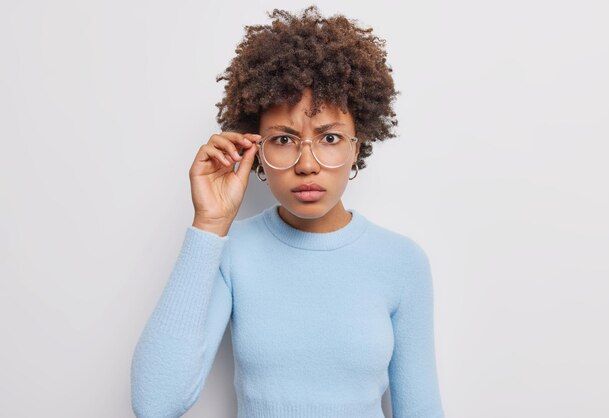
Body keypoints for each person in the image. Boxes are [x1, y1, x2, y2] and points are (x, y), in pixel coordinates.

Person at [131, 5, 445, 418]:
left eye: (329, 137)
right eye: (283, 139)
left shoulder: (402, 262)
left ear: (357, 146)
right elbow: (155, 404)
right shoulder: (233, 249)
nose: (307, 163)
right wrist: (209, 225)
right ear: (255, 149)